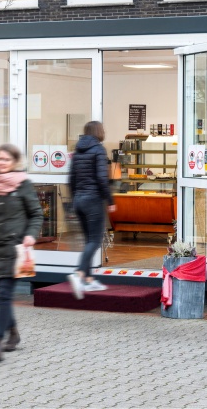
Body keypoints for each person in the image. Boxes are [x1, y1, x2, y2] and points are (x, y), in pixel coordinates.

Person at [0, 143, 42, 364]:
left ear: (14, 162)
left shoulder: (23, 185)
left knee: (3, 294)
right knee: (0, 297)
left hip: (14, 249)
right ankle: (13, 332)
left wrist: (31, 235)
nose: (2, 163)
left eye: (6, 160)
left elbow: (36, 214)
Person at [67, 121, 116, 299]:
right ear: (99, 132)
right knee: (95, 240)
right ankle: (79, 273)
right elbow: (102, 179)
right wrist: (110, 200)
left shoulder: (77, 151)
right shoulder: (99, 150)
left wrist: (75, 199)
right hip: (93, 200)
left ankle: (87, 279)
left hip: (79, 200)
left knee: (89, 240)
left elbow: (71, 179)